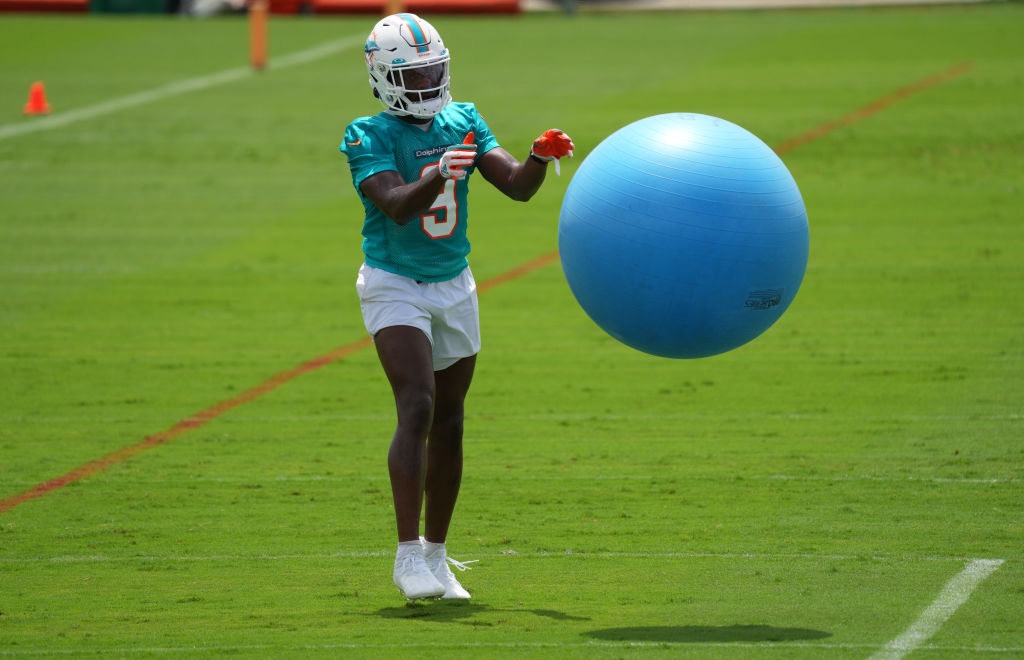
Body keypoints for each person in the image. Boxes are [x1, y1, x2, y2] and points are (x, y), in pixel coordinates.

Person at [339, 13, 573, 601]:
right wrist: (440, 172)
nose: (427, 83)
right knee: (416, 404)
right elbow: (394, 204)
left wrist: (539, 158)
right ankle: (407, 555)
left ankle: (439, 558)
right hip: (394, 280)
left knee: (450, 420)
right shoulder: (367, 134)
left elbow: (516, 186)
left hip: (454, 282)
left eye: (432, 70)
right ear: (384, 77)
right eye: (413, 74)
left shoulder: (463, 118)